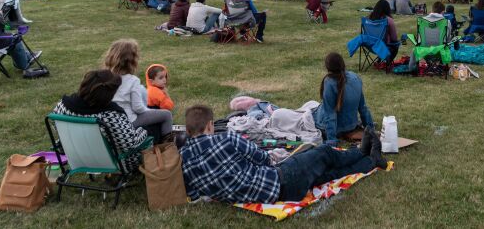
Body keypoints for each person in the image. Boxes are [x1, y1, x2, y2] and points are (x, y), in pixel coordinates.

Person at [181, 105, 385, 203]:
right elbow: (262, 158)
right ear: (210, 125)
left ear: (188, 131)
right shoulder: (226, 138)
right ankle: (361, 151)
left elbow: (193, 193)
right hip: (280, 180)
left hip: (281, 194)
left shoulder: (184, 160)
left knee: (327, 175)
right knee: (323, 153)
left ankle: (370, 160)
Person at [53, 70, 148, 174]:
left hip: (77, 159)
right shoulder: (110, 115)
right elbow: (129, 144)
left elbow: (58, 128)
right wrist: (144, 131)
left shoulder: (62, 106)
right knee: (151, 128)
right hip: (116, 164)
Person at [103, 39, 173, 143]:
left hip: (110, 121)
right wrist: (153, 111)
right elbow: (138, 109)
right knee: (166, 114)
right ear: (132, 61)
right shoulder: (132, 80)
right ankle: (168, 147)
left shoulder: (104, 77)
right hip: (130, 122)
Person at [313, 53, 375, 145]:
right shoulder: (355, 77)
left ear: (327, 67)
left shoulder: (329, 82)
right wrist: (370, 128)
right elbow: (363, 108)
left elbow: (330, 115)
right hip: (351, 125)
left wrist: (331, 140)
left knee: (310, 113)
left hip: (335, 128)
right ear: (343, 64)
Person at [367, 0, 399, 69]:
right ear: (387, 9)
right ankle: (388, 62)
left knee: (379, 40)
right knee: (396, 44)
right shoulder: (388, 20)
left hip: (370, 46)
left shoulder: (368, 19)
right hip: (384, 46)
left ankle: (379, 61)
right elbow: (394, 38)